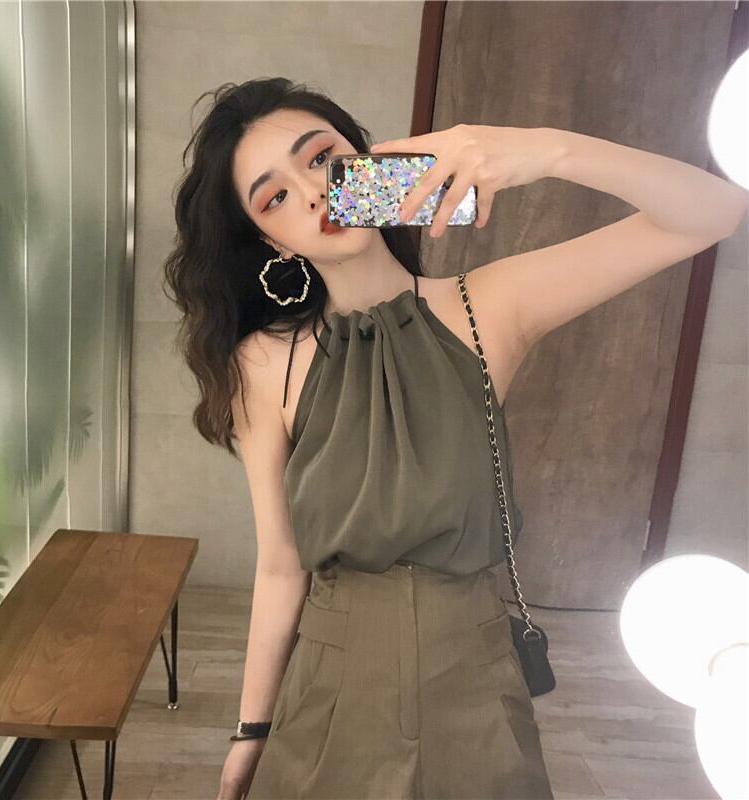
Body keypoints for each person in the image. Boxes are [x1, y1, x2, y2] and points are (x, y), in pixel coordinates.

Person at [162, 77, 747, 800]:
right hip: (332, 686)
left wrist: (545, 151)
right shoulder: (261, 363)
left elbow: (715, 212)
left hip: (475, 674)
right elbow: (282, 564)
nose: (312, 194)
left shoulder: (487, 306)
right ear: (266, 238)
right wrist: (251, 731)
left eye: (320, 158)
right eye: (274, 197)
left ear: (368, 157)